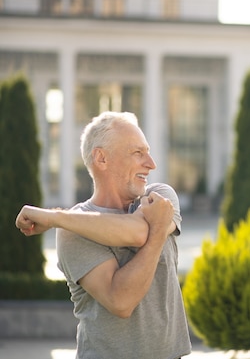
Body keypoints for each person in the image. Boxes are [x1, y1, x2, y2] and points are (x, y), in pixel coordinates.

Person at [16, 111, 192, 359]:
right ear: (101, 158)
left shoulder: (160, 196)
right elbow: (121, 301)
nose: (151, 164)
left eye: (148, 152)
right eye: (138, 153)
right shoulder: (72, 233)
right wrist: (157, 233)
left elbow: (138, 232)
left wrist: (56, 218)